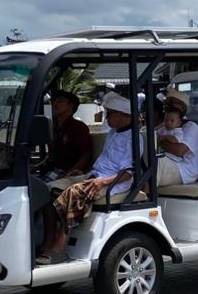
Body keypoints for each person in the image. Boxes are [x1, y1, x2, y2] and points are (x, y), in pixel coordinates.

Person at [37, 92, 142, 265]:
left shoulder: (134, 138)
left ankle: (59, 249)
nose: (106, 118)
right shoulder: (113, 133)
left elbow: (128, 172)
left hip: (113, 182)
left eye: (110, 114)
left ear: (123, 115)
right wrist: (82, 172)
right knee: (49, 189)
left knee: (73, 193)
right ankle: (48, 241)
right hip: (94, 175)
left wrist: (102, 182)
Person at [35, 90, 93, 181]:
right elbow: (51, 156)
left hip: (64, 172)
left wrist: (68, 173)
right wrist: (36, 166)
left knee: (39, 186)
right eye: (55, 101)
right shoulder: (54, 128)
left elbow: (86, 154)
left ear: (70, 106)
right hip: (50, 170)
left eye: (60, 101)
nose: (55, 104)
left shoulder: (78, 127)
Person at [156, 90, 198, 188]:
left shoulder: (191, 126)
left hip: (185, 170)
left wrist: (159, 141)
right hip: (170, 162)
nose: (167, 105)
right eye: (166, 102)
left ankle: (146, 193)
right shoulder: (165, 125)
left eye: (172, 102)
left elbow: (179, 151)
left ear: (182, 107)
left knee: (155, 162)